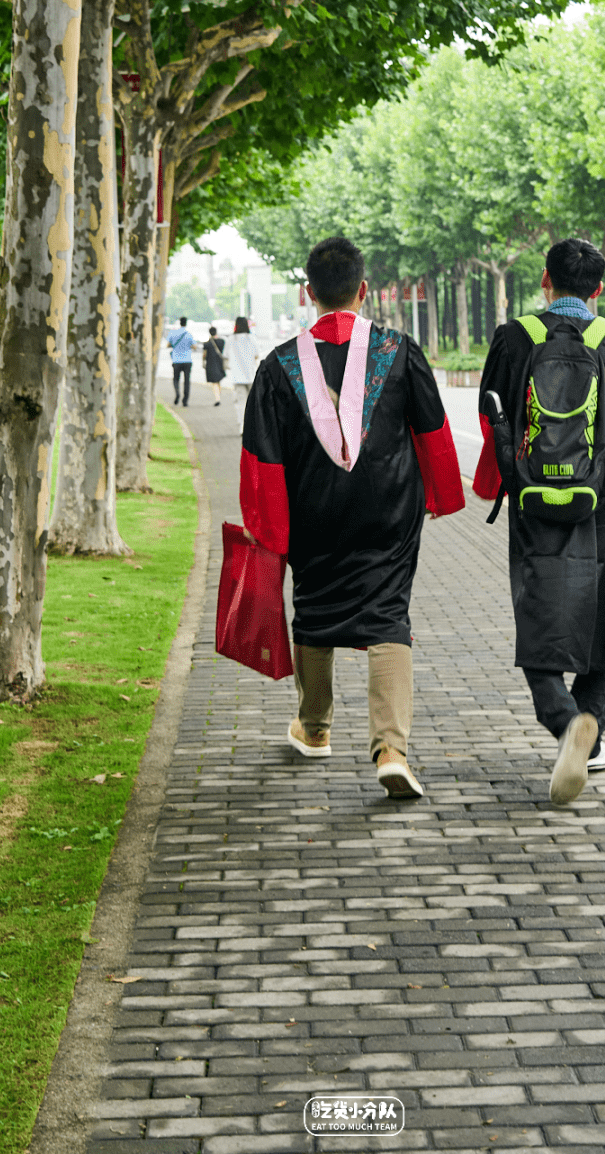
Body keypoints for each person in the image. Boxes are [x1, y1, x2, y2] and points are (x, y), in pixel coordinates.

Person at [240, 236, 465, 798]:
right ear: (363, 290)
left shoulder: (278, 366)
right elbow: (433, 429)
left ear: (308, 293)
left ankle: (315, 729)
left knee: (314, 610)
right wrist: (438, 494)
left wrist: (267, 526)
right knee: (388, 614)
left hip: (313, 512)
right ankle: (391, 747)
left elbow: (262, 456)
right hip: (388, 511)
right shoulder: (399, 349)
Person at [474, 238, 605, 806]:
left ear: (545, 279)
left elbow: (492, 421)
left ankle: (564, 721)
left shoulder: (515, 338)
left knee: (539, 607)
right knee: (601, 603)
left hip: (534, 498)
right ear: (599, 289)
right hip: (602, 499)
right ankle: (589, 725)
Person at [228, 316, 260, 433]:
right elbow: (257, 355)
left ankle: (242, 426)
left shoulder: (231, 339)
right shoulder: (252, 338)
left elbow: (226, 356)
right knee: (253, 402)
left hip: (237, 376)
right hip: (251, 375)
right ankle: (253, 426)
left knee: (241, 403)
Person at [168, 315, 194, 407]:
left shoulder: (173, 333)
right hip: (187, 360)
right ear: (186, 323)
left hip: (176, 360)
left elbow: (168, 344)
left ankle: (177, 393)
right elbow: (194, 346)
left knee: (176, 379)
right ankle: (185, 400)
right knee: (187, 381)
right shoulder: (189, 334)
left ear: (179, 322)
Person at [204, 325, 226, 406]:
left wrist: (203, 362)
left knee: (214, 382)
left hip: (211, 364)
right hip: (220, 363)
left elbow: (204, 355)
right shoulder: (222, 341)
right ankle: (218, 396)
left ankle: (217, 399)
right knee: (218, 381)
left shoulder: (207, 343)